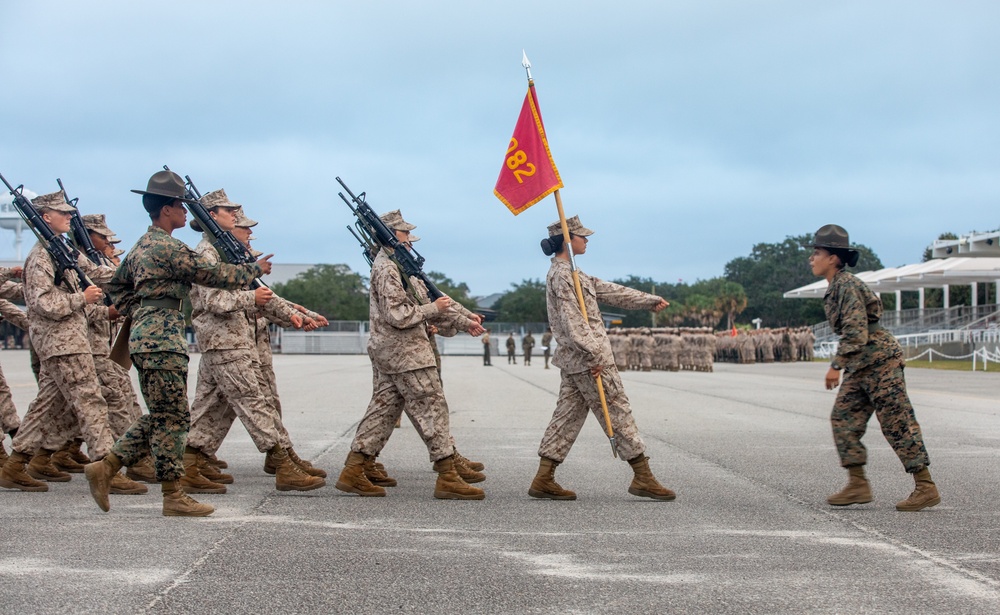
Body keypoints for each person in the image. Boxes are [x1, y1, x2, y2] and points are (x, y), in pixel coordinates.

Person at [83, 170, 270, 517]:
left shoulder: (142, 245)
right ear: (166, 210)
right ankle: (172, 494)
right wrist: (251, 270)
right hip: (162, 339)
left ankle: (106, 467)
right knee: (173, 417)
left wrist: (137, 311)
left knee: (165, 414)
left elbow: (119, 287)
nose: (186, 214)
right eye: (181, 207)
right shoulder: (166, 247)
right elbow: (209, 273)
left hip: (149, 335)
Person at [334, 209, 486, 500]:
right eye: (405, 235)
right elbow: (399, 315)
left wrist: (464, 322)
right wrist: (435, 311)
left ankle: (353, 470)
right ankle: (447, 476)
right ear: (389, 236)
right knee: (432, 407)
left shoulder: (398, 265)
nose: (410, 241)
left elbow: (430, 300)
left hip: (398, 352)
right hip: (405, 352)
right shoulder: (387, 268)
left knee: (383, 411)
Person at [182, 190, 324, 495]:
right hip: (224, 342)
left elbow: (262, 296)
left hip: (231, 340)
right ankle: (282, 465)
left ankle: (191, 464)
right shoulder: (207, 253)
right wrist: (251, 297)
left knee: (211, 408)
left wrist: (293, 316)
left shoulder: (223, 252)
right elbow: (214, 300)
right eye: (228, 210)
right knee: (252, 401)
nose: (235, 214)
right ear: (211, 215)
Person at [528, 215, 674, 502]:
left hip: (576, 359)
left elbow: (610, 290)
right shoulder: (562, 275)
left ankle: (544, 477)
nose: (587, 240)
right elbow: (573, 321)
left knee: (567, 415)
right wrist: (594, 355)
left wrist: (648, 301)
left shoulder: (574, 273)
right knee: (617, 409)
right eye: (582, 236)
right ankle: (642, 475)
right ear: (568, 240)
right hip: (588, 359)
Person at [808, 224, 940, 512]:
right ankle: (858, 483)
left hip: (880, 362)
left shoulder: (847, 285)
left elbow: (856, 331)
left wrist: (835, 366)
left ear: (833, 258)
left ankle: (926, 486)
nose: (812, 258)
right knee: (843, 418)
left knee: (896, 422)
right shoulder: (835, 288)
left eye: (817, 252)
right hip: (861, 365)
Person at [0, 192, 117, 493]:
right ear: (45, 217)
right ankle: (107, 467)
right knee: (91, 399)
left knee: (47, 405)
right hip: (61, 342)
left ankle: (15, 465)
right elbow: (40, 303)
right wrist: (82, 298)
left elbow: (93, 272)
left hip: (68, 340)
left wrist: (129, 274)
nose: (69, 217)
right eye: (61, 212)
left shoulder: (61, 248)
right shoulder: (40, 256)